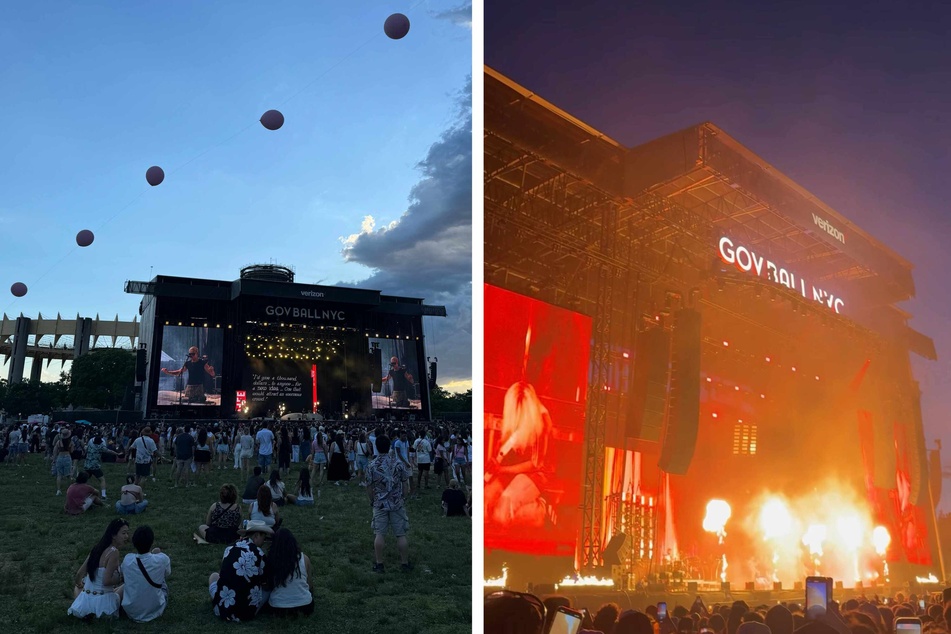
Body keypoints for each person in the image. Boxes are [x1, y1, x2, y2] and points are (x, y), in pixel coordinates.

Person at [484, 381, 555, 528]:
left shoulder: (542, 424)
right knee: (484, 504)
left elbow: (534, 465)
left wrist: (501, 470)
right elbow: (505, 448)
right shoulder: (518, 415)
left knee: (503, 511)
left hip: (536, 475)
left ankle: (541, 512)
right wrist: (496, 462)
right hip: (512, 472)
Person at [365, 434, 412, 572]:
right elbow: (405, 483)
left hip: (380, 503)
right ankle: (404, 563)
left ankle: (380, 564)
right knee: (401, 534)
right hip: (397, 502)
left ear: (377, 448)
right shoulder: (398, 464)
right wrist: (403, 496)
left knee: (379, 534)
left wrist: (372, 500)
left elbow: (368, 486)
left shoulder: (372, 465)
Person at [209, 520, 270, 622]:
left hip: (222, 610)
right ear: (256, 535)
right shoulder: (259, 553)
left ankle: (219, 601)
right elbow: (265, 582)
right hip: (246, 613)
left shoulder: (229, 549)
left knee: (213, 576)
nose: (264, 542)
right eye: (263, 537)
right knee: (268, 590)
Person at [68, 518, 130, 619]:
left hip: (86, 601)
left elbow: (79, 574)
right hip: (103, 604)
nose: (126, 536)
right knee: (126, 586)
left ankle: (84, 605)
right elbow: (107, 581)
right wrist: (121, 578)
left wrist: (79, 584)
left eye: (127, 533)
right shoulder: (114, 552)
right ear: (113, 535)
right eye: (123, 533)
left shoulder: (96, 549)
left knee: (78, 587)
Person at [120, 525, 171, 623]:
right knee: (162, 578)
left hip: (130, 610)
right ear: (151, 542)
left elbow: (123, 574)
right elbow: (167, 573)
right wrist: (157, 553)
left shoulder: (128, 559)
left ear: (134, 542)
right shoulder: (162, 559)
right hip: (156, 609)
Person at [266, 528, 314, 616]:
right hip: (304, 606)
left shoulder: (271, 560)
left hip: (278, 607)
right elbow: (309, 584)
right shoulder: (304, 559)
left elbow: (269, 584)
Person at [85, 430, 117, 500]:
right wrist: (117, 454)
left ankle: (83, 493)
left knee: (85, 480)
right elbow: (109, 451)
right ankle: (103, 495)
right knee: (102, 480)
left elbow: (86, 449)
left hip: (87, 464)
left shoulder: (90, 441)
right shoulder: (101, 446)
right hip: (95, 466)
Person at [53, 427, 75, 495]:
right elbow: (72, 451)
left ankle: (58, 490)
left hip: (60, 457)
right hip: (67, 457)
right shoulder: (71, 442)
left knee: (59, 475)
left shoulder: (59, 442)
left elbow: (55, 451)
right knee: (68, 475)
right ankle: (69, 490)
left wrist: (54, 459)